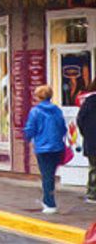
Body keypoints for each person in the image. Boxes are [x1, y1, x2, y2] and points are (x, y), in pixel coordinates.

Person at [24, 85, 67, 215]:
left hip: (43, 147)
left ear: (38, 97)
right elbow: (63, 128)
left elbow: (30, 128)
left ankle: (50, 203)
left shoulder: (35, 111)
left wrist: (27, 137)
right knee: (50, 175)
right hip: (57, 147)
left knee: (47, 176)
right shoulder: (57, 110)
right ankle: (47, 199)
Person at [77, 79, 96, 204]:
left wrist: (87, 135)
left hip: (91, 141)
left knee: (93, 168)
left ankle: (92, 193)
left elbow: (80, 120)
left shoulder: (89, 101)